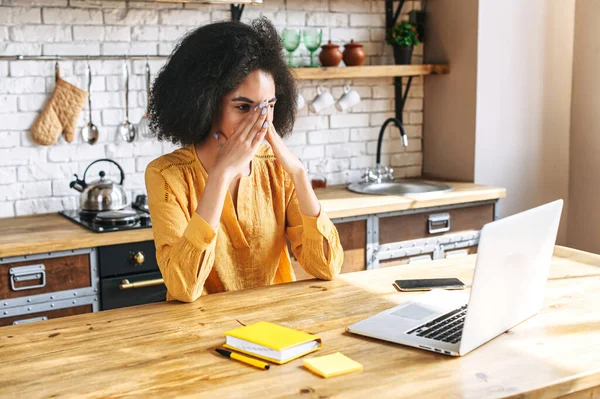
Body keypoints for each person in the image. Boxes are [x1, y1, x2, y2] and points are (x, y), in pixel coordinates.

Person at [145, 18, 344, 302]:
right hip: (202, 336)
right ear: (206, 104)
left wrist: (299, 173)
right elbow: (184, 288)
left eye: (268, 107)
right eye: (243, 107)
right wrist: (220, 177)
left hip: (276, 333)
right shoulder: (166, 175)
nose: (259, 120)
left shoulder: (278, 167)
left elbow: (327, 267)